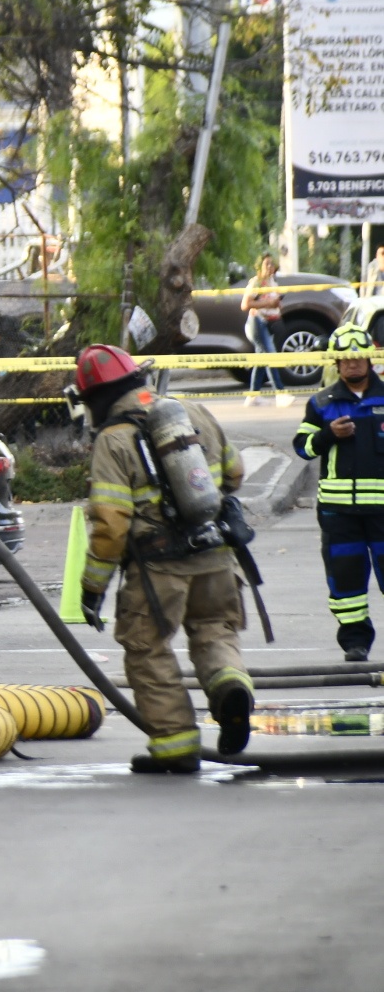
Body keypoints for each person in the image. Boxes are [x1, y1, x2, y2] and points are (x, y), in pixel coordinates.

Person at [75, 344, 253, 773]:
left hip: (158, 570)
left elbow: (111, 526)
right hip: (215, 555)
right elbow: (234, 474)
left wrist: (92, 588)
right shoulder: (191, 411)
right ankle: (230, 685)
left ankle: (175, 746)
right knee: (214, 629)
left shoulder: (112, 440)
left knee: (147, 649)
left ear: (95, 396)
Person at [294, 323, 384, 662]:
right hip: (338, 513)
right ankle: (356, 643)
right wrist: (328, 435)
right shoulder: (321, 404)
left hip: (382, 512)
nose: (352, 364)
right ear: (336, 362)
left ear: (369, 358)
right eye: (345, 359)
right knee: (346, 586)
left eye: (357, 358)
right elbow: (302, 448)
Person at [242, 255, 293, 409]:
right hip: (256, 322)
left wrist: (277, 305)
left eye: (272, 264)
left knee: (261, 359)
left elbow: (273, 303)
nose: (270, 267)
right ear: (259, 266)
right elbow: (245, 304)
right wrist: (269, 302)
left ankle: (253, 397)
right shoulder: (256, 282)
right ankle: (280, 393)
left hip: (269, 322)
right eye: (266, 264)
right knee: (271, 355)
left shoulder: (272, 282)